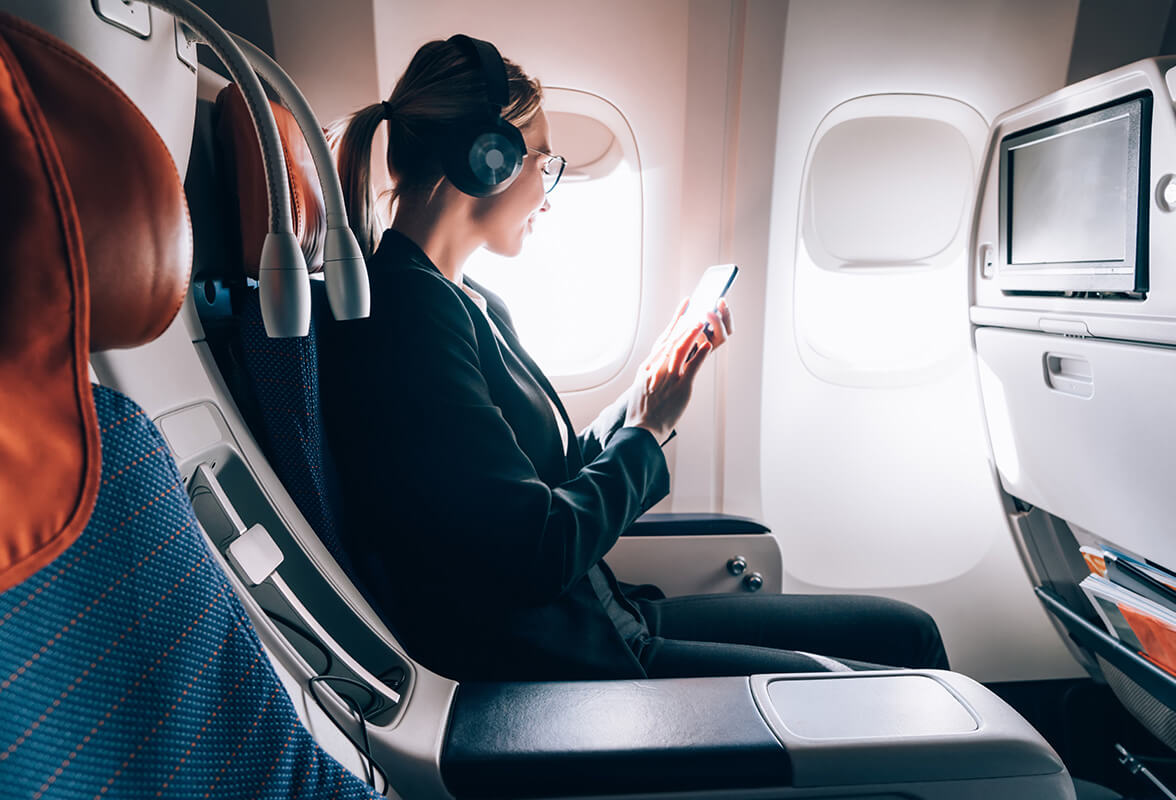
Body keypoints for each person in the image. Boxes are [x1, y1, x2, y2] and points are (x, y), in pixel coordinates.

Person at [321, 34, 949, 681]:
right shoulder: (408, 317)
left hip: (603, 619)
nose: (549, 188)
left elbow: (556, 473)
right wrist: (648, 430)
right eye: (545, 160)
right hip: (563, 658)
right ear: (489, 158)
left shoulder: (463, 297)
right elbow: (536, 552)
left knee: (906, 635)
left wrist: (650, 390)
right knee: (892, 675)